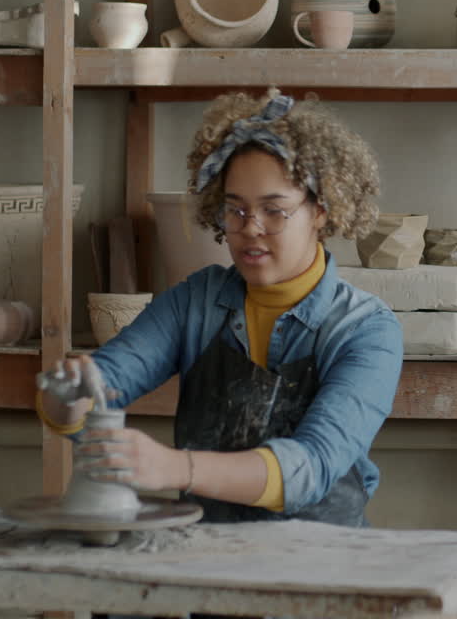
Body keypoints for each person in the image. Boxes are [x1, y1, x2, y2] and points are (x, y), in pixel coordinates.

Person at [36, 88, 403, 527]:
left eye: (274, 211)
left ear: (321, 211)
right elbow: (106, 384)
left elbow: (313, 466)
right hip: (206, 550)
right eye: (235, 210)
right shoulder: (197, 302)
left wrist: (176, 468)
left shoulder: (366, 330)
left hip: (325, 557)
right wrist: (68, 394)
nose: (251, 229)